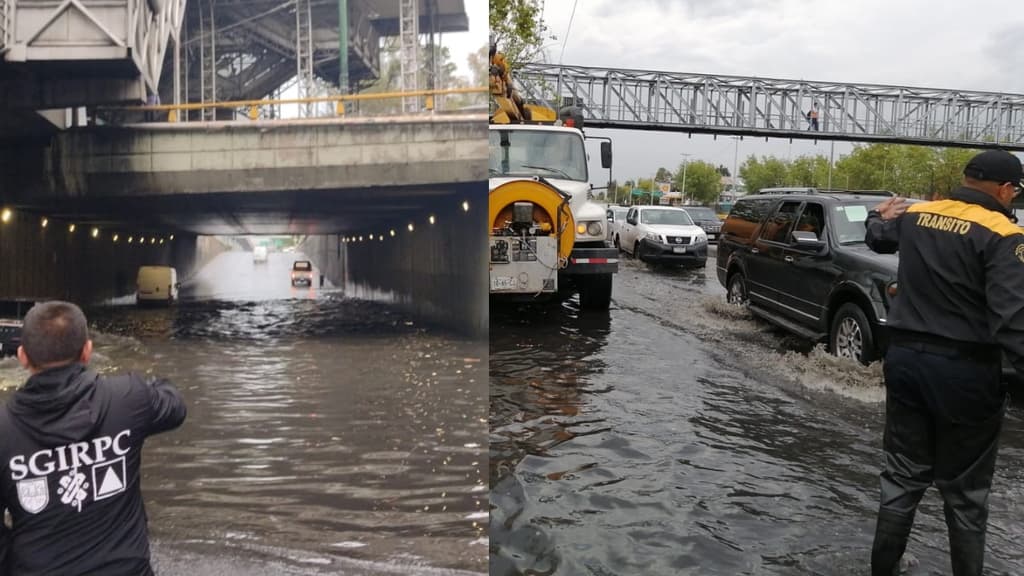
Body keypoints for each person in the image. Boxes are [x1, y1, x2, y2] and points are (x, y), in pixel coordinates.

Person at [863, 149, 1024, 575]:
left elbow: (879, 236)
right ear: (1005, 189)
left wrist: (874, 216)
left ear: (966, 178)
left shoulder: (920, 214)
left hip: (905, 363)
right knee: (966, 493)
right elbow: (1013, 322)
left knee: (901, 476)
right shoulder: (1004, 233)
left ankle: (884, 569)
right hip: (966, 372)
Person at [0, 301, 186, 575]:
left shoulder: (4, 428)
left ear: (22, 356)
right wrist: (149, 385)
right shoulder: (128, 398)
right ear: (87, 351)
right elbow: (175, 406)